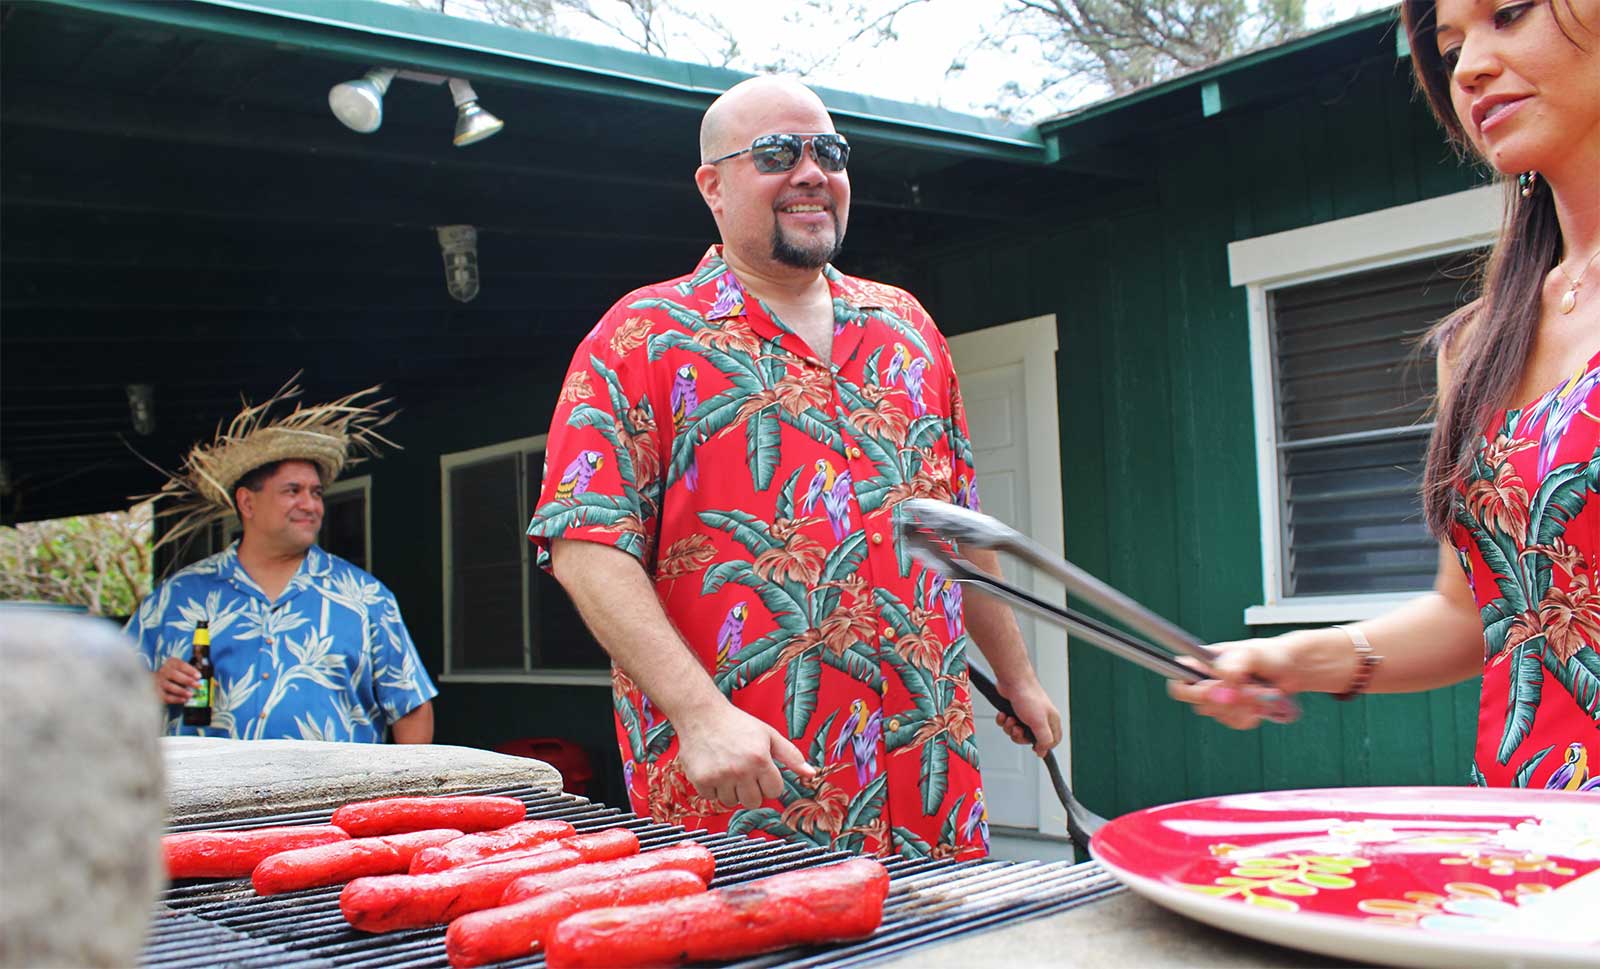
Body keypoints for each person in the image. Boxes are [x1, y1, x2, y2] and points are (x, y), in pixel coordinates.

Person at [526, 75, 1061, 858]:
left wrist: (1017, 673)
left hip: (931, 794)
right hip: (749, 802)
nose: (812, 171)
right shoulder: (639, 336)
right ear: (712, 186)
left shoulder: (909, 329)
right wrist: (698, 713)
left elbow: (953, 530)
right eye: (777, 152)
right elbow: (584, 545)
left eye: (830, 151)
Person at [1171, 0, 1600, 792]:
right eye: (1448, 48)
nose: (1468, 66)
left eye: (1507, 14)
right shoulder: (1476, 348)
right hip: (1529, 848)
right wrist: (1297, 657)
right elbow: (1472, 618)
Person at [126, 382, 437, 743]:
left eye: (316, 493)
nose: (311, 504)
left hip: (335, 800)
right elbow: (99, 699)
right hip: (210, 799)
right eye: (293, 491)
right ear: (247, 503)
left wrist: (406, 798)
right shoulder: (176, 598)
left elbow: (412, 709)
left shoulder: (365, 598)